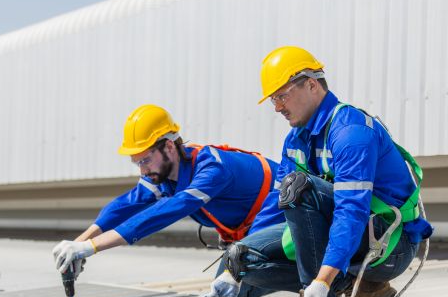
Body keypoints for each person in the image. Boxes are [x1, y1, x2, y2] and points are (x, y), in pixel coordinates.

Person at [206, 46, 433, 297]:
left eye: (282, 96)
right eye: (273, 100)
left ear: (312, 85)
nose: (278, 107)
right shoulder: (295, 139)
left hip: (387, 244)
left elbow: (352, 210)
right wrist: (231, 268)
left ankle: (323, 296)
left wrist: (323, 280)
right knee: (239, 258)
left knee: (299, 188)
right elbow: (273, 206)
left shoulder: (351, 132)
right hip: (344, 234)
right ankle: (336, 288)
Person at [52, 104, 279, 287]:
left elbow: (169, 211)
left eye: (145, 160)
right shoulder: (165, 174)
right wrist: (78, 243)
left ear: (169, 146)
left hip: (284, 219)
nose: (142, 170)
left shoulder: (212, 169)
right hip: (250, 235)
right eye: (137, 162)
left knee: (285, 285)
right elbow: (124, 205)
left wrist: (90, 248)